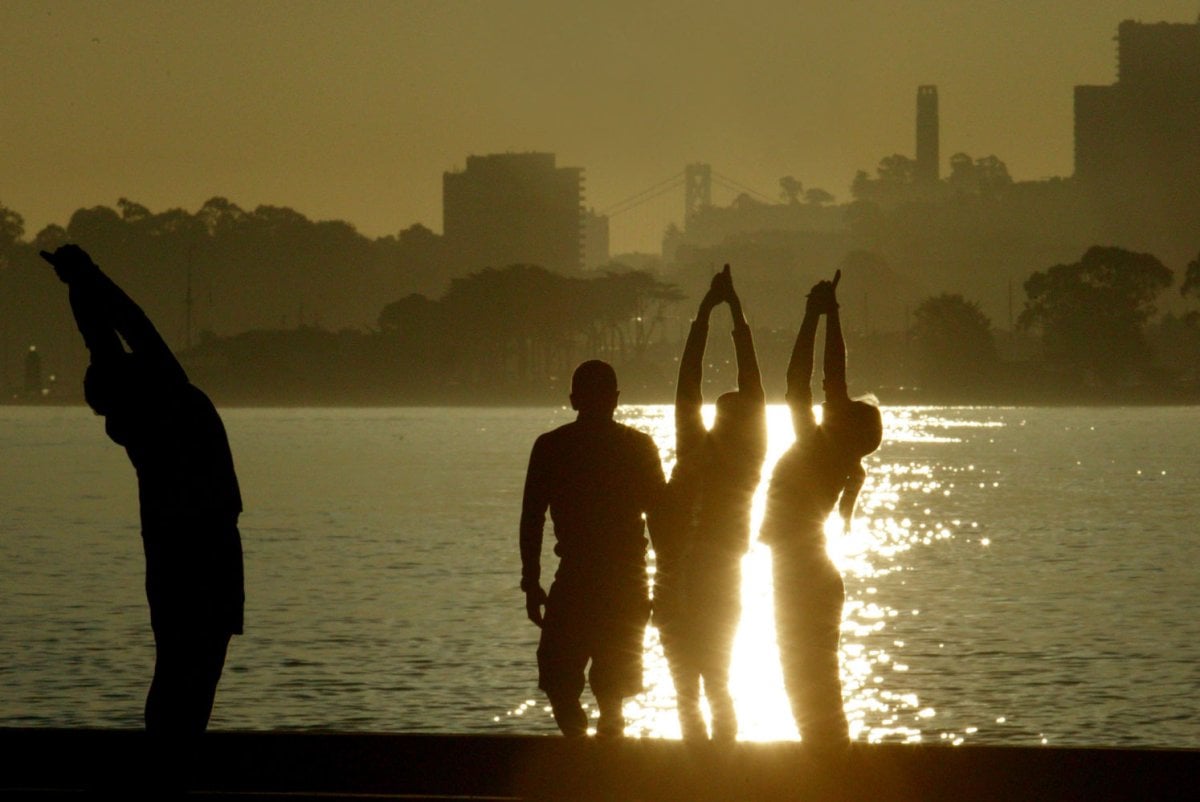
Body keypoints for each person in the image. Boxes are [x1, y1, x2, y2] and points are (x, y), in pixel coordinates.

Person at [42, 244, 244, 748]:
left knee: (180, 665)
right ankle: (170, 759)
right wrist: (88, 277)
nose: (135, 357)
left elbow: (103, 336)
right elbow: (127, 326)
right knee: (191, 669)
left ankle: (167, 754)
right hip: (199, 550)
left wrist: (80, 283)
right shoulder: (164, 402)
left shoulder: (144, 410)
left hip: (182, 552)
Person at [761, 271, 882, 747]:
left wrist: (817, 316)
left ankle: (831, 773)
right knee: (814, 686)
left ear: (843, 424)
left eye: (840, 406)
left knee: (808, 686)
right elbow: (832, 380)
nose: (834, 403)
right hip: (810, 574)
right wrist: (829, 315)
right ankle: (832, 768)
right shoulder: (836, 456)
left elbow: (804, 381)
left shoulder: (818, 449)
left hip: (802, 576)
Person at [650, 265, 766, 741]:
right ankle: (703, 769)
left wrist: (724, 312)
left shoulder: (744, 458)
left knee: (710, 685)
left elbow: (742, 382)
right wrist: (710, 312)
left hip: (709, 579)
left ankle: (717, 770)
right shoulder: (701, 448)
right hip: (679, 576)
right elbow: (689, 382)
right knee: (696, 686)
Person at [519, 360, 666, 737]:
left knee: (562, 677)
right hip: (623, 580)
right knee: (605, 682)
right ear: (616, 400)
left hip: (583, 578)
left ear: (573, 399)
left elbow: (531, 520)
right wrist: (664, 585)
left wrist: (531, 581)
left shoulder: (552, 446)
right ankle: (600, 749)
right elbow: (663, 524)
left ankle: (583, 747)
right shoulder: (638, 446)